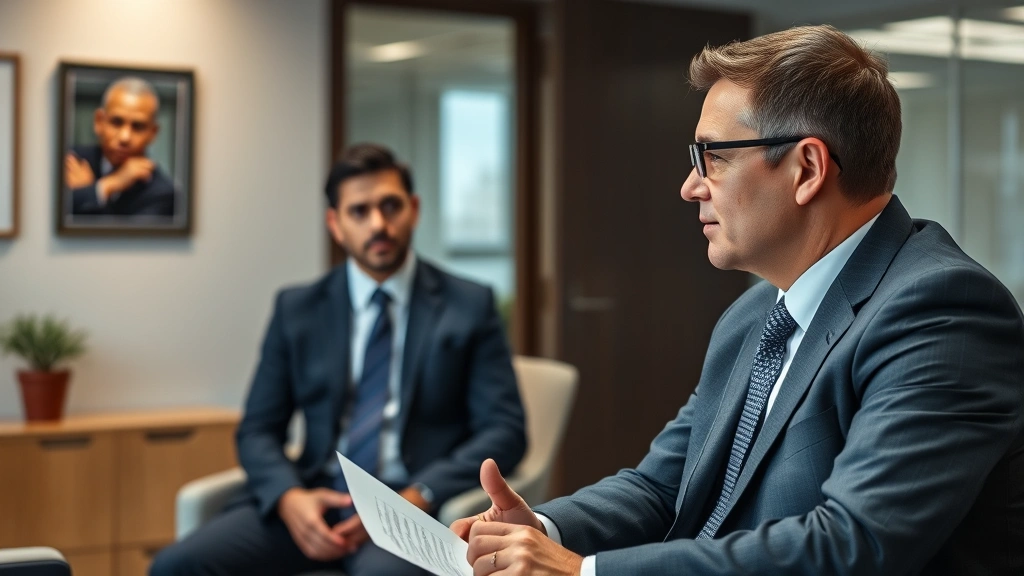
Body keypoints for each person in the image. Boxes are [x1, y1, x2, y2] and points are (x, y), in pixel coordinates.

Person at [451, 24, 1024, 575]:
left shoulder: (944, 311)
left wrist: (583, 573)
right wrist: (543, 532)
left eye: (713, 157)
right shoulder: (756, 315)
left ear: (807, 168)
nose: (690, 185)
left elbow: (855, 544)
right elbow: (664, 485)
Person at [151, 143, 527, 576]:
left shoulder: (468, 305)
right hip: (315, 498)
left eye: (391, 206)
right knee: (176, 566)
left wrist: (420, 493)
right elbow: (257, 430)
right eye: (360, 211)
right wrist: (290, 499)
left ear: (415, 209)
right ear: (335, 223)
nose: (379, 224)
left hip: (409, 510)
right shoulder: (298, 309)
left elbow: (505, 430)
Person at [65, 76, 176, 217]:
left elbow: (124, 239)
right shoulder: (72, 161)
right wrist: (109, 185)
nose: (125, 137)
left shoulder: (161, 192)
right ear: (99, 121)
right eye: (116, 122)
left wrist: (93, 191)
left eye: (138, 126)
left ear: (152, 133)